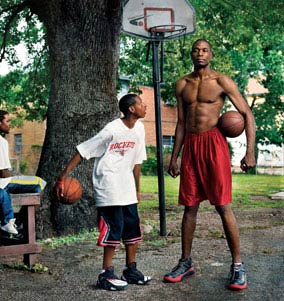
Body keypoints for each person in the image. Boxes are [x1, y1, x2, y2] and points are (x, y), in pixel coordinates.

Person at [163, 39, 256, 291]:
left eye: (204, 50)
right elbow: (182, 122)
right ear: (191, 54)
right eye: (196, 50)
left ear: (211, 54)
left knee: (223, 206)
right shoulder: (182, 84)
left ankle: (238, 266)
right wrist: (175, 157)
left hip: (214, 144)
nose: (200, 53)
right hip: (192, 145)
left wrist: (250, 152)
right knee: (189, 207)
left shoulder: (221, 81)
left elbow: (247, 113)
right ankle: (185, 262)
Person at [56, 94, 151, 291]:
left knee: (132, 227)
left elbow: (137, 162)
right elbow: (83, 151)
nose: (145, 106)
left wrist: (137, 189)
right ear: (131, 109)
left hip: (126, 185)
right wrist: (62, 176)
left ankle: (130, 270)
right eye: (141, 103)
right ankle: (106, 273)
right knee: (114, 228)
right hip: (107, 183)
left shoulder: (140, 129)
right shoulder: (112, 129)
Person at [0, 110, 46, 233]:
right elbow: (3, 173)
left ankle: (3, 222)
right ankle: (16, 223)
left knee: (30, 185)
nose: (10, 124)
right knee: (40, 183)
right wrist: (17, 176)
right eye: (8, 121)